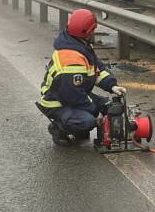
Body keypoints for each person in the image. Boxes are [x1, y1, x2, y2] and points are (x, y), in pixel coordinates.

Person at [37, 9, 126, 145]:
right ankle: (60, 129)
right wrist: (96, 113)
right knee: (88, 121)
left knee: (108, 106)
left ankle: (79, 129)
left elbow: (97, 69)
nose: (94, 32)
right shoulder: (71, 58)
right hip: (56, 102)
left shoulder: (80, 45)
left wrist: (112, 85)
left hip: (74, 93)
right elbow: (73, 96)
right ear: (87, 32)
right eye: (93, 30)